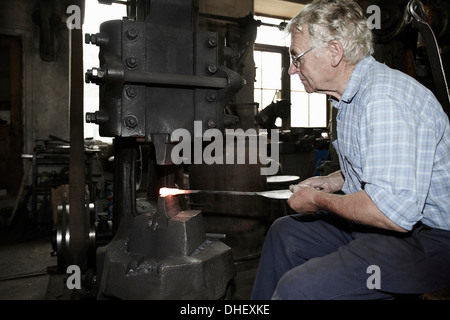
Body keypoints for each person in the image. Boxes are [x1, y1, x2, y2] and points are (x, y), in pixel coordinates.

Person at [251, 0, 450, 300]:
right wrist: (332, 181)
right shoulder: (349, 100)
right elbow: (376, 166)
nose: (292, 69)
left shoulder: (384, 99)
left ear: (334, 52)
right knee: (284, 234)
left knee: (297, 289)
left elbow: (391, 213)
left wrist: (318, 200)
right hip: (385, 227)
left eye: (297, 57)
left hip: (428, 243)